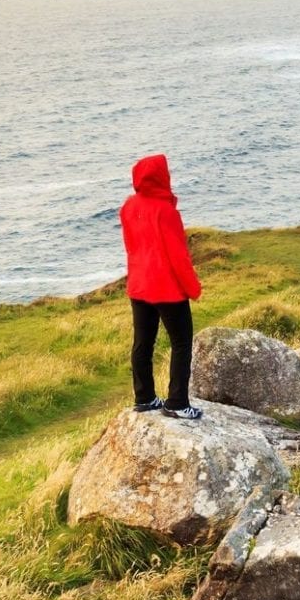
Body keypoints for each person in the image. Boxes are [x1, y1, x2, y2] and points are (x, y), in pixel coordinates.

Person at [120, 153, 203, 419]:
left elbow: (131, 247)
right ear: (161, 177)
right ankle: (177, 403)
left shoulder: (129, 207)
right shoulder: (166, 212)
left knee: (143, 343)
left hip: (139, 284)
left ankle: (144, 398)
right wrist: (193, 288)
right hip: (166, 288)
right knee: (181, 343)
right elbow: (178, 257)